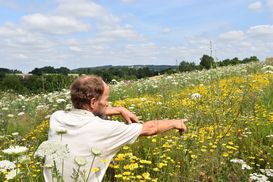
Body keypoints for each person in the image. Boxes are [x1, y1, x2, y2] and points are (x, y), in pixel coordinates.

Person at [44, 75, 187, 182]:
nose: (107, 104)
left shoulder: (56, 118)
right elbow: (149, 128)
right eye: (106, 100)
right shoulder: (105, 128)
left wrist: (119, 110)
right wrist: (176, 122)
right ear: (93, 102)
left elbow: (86, 111)